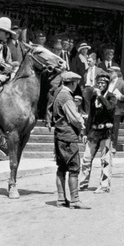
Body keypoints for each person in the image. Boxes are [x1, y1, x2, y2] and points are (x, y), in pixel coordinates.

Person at [52, 71, 85, 208]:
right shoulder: (66, 96)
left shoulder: (58, 94)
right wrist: (82, 125)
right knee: (73, 168)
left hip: (59, 135)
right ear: (72, 83)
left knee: (61, 168)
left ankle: (60, 198)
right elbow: (74, 118)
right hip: (68, 136)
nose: (76, 85)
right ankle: (75, 200)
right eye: (76, 83)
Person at [80, 71, 117, 193]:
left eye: (103, 83)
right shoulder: (93, 98)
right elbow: (91, 116)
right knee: (86, 158)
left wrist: (101, 96)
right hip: (93, 132)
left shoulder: (111, 97)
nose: (100, 85)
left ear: (107, 84)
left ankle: (104, 185)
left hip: (105, 132)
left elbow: (110, 108)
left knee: (105, 160)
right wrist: (85, 132)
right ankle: (83, 183)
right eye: (99, 83)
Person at [107, 65, 124, 149]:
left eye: (111, 72)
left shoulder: (122, 83)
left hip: (117, 109)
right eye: (109, 72)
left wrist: (119, 97)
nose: (109, 74)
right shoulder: (108, 82)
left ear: (116, 73)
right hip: (108, 108)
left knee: (115, 129)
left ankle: (113, 145)